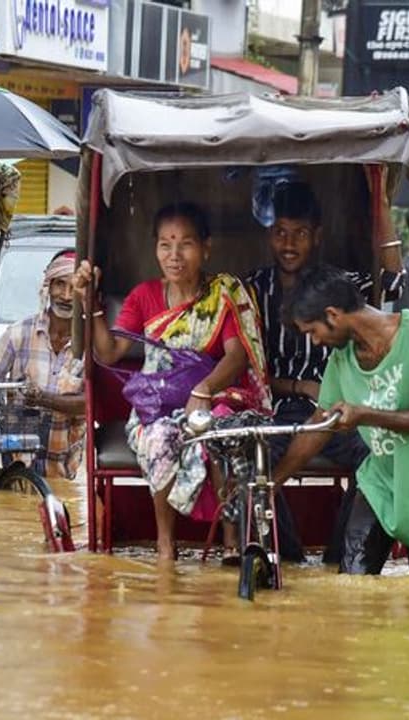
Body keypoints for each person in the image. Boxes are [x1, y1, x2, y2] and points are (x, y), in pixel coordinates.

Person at [73, 202, 271, 562]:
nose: (174, 255)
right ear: (155, 249)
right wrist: (92, 304)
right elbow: (111, 351)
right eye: (165, 244)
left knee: (223, 430)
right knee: (161, 437)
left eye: (186, 244)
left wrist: (204, 391)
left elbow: (236, 355)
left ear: (206, 247)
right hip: (155, 408)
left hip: (210, 399)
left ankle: (230, 541)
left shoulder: (222, 294)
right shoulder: (144, 295)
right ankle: (166, 543)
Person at [272, 264, 409, 577]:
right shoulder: (342, 361)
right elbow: (319, 424)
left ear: (333, 315)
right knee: (353, 588)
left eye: (313, 332)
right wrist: (273, 482)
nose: (314, 343)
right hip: (379, 486)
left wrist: (366, 415)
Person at [244, 175, 405, 562]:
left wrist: (380, 199)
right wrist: (302, 387)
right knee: (250, 460)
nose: (288, 243)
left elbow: (395, 282)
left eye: (299, 233)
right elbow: (250, 372)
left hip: (344, 412)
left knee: (377, 459)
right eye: (280, 232)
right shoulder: (251, 289)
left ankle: (340, 560)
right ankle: (290, 560)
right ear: (269, 236)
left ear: (316, 236)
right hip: (281, 411)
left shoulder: (341, 286)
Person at [0, 250, 85, 478]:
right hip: (17, 464)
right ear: (48, 287)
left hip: (66, 467)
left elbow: (89, 404)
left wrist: (42, 398)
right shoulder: (19, 334)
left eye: (74, 287)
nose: (66, 296)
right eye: (59, 285)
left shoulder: (91, 343)